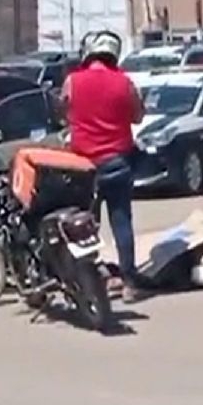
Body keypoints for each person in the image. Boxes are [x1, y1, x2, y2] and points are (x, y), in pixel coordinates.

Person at [61, 31, 144, 302]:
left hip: (83, 167)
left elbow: (62, 112)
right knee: (122, 223)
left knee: (85, 227)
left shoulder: (72, 82)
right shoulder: (125, 83)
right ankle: (130, 283)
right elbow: (138, 115)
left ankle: (96, 277)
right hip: (118, 163)